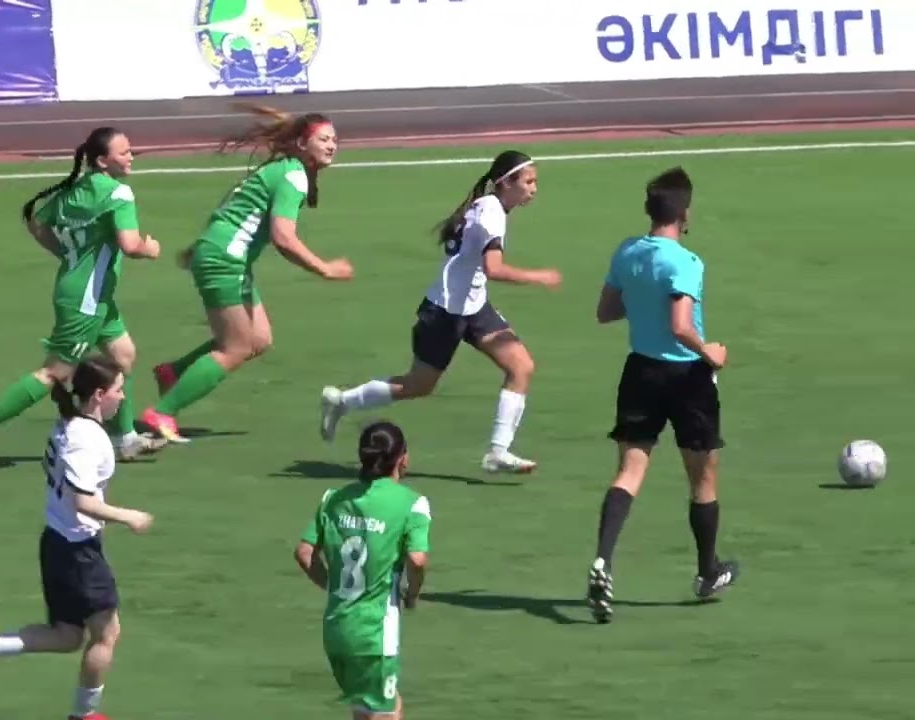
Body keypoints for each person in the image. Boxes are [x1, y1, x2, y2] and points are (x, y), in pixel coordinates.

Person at [318, 150, 562, 474]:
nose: (534, 188)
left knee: (521, 366)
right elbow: (494, 268)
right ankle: (342, 401)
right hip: (445, 313)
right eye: (528, 182)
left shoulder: (488, 206)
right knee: (418, 386)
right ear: (506, 183)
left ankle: (498, 452)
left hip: (474, 308)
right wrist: (539, 277)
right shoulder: (491, 214)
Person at [0, 356, 154, 720]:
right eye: (119, 391)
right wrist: (129, 516)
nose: (123, 399)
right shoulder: (87, 440)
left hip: (56, 542)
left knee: (67, 635)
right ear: (99, 395)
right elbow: (83, 502)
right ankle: (85, 715)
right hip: (78, 552)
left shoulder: (67, 424)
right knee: (106, 635)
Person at [139, 104, 354, 443]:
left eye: (334, 140)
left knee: (259, 339)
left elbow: (234, 206)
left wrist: (203, 245)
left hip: (224, 256)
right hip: (225, 260)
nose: (331, 145)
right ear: (301, 143)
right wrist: (325, 268)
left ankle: (174, 373)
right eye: (323, 139)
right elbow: (284, 238)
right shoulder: (293, 175)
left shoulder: (282, 168)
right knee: (236, 347)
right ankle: (161, 412)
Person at [0, 127, 166, 469]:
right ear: (103, 161)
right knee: (54, 372)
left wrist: (67, 254)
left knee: (124, 355)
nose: (131, 157)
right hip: (87, 299)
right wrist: (151, 248)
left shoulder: (76, 189)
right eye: (124, 152)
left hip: (87, 291)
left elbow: (37, 221)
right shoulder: (118, 194)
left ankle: (126, 439)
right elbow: (130, 244)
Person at [585, 166, 738, 624]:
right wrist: (710, 352)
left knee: (629, 470)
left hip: (640, 372)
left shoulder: (627, 251)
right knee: (702, 480)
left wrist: (642, 297)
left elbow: (605, 311)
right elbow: (680, 326)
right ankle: (707, 572)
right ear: (684, 213)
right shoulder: (686, 262)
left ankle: (602, 559)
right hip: (688, 378)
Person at [294, 420, 431, 720]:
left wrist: (333, 586)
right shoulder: (412, 504)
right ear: (402, 458)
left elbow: (305, 553)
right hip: (374, 634)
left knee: (370, 709)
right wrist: (412, 594)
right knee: (384, 714)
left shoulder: (333, 499)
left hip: (336, 629)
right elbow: (417, 560)